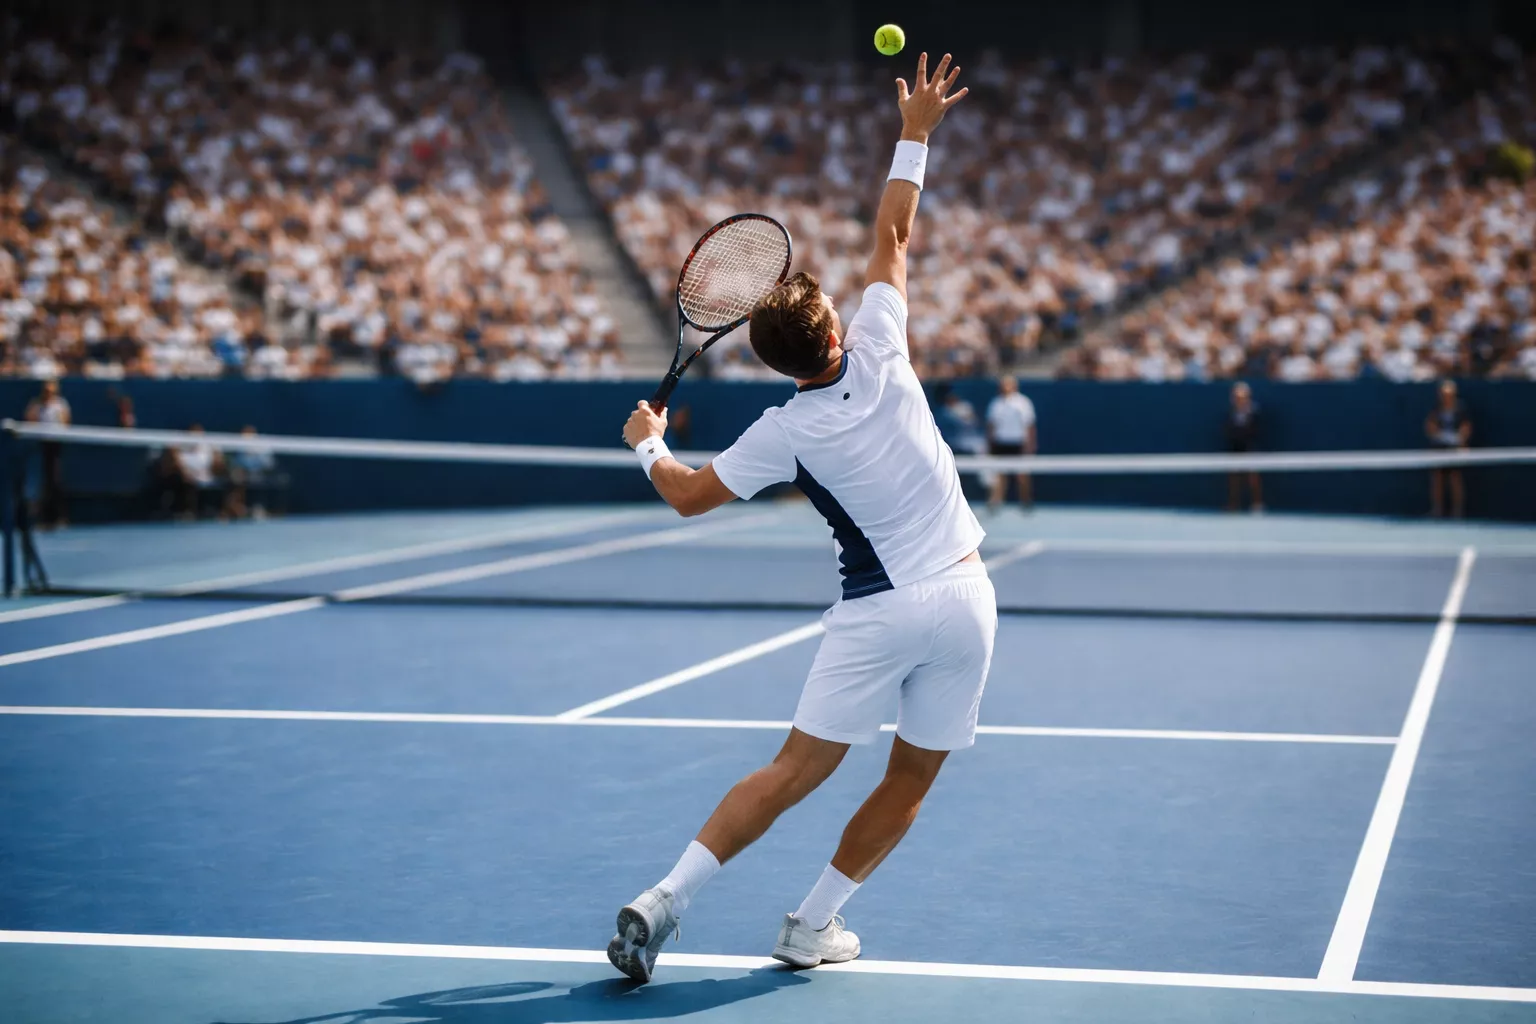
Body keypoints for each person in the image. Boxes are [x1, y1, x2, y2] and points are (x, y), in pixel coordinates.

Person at [613, 54, 988, 982]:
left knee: (791, 771)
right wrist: (913, 132)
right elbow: (893, 231)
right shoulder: (884, 342)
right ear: (833, 327)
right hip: (965, 605)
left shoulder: (782, 432)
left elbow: (690, 495)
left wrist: (648, 444)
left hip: (873, 615)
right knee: (912, 776)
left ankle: (665, 898)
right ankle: (813, 922)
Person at [984, 375, 1036, 512]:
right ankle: (995, 502)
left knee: (1022, 475)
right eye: (1003, 384)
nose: (1004, 387)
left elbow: (1029, 425)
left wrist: (1030, 444)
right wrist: (990, 444)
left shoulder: (1023, 403)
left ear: (1014, 386)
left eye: (1007, 384)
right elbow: (991, 426)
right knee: (999, 475)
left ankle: (1026, 501)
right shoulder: (995, 403)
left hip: (1018, 443)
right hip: (1001, 443)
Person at [24, 379, 71, 529]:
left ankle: (59, 517)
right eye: (47, 390)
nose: (49, 393)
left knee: (55, 480)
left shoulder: (60, 404)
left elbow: (66, 421)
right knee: (43, 481)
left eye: (51, 390)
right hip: (41, 445)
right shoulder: (36, 404)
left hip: (55, 445)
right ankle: (43, 518)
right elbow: (29, 419)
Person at [1425, 379, 1471, 518]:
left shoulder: (1461, 409)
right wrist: (1440, 436)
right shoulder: (1436, 409)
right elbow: (1430, 427)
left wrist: (1459, 441)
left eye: (1448, 394)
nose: (1445, 396)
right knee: (1437, 478)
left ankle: (1457, 511)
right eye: (1443, 394)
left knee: (1455, 479)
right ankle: (1437, 510)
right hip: (1439, 449)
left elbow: (1466, 428)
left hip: (1455, 449)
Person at [933, 384, 987, 495]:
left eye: (953, 396)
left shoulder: (964, 408)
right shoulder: (943, 412)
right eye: (949, 397)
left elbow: (971, 420)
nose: (952, 399)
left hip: (971, 447)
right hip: (951, 448)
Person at [223, 426, 278, 520]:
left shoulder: (262, 446)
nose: (247, 436)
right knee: (236, 476)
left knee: (240, 476)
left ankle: (254, 508)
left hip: (258, 473)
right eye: (244, 434)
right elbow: (236, 461)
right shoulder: (238, 445)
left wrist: (254, 463)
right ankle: (235, 507)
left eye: (249, 434)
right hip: (240, 474)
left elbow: (268, 463)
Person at [1225, 382, 1264, 512]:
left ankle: (1257, 504)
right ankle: (1233, 504)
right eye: (1236, 397)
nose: (1238, 399)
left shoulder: (1254, 412)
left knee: (1253, 477)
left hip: (1250, 448)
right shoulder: (1231, 412)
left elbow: (1255, 430)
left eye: (1241, 397)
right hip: (1235, 448)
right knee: (1234, 479)